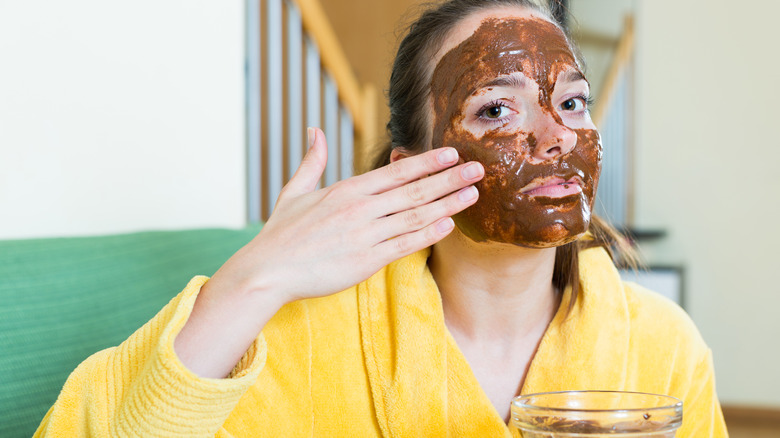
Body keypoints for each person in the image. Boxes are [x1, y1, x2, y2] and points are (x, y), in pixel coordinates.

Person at [35, 0, 728, 436]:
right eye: (496, 109)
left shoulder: (664, 348)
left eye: (572, 102)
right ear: (410, 166)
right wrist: (253, 279)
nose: (555, 138)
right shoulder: (297, 343)